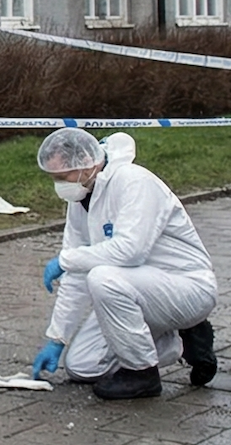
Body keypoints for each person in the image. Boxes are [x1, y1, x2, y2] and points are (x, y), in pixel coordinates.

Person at [27, 129, 217, 400]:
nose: (58, 185)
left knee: (103, 278)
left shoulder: (133, 181)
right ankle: (175, 340)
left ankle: (142, 373)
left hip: (186, 286)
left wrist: (67, 260)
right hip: (139, 291)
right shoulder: (81, 199)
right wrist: (57, 338)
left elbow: (130, 251)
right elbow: (77, 273)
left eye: (62, 176)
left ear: (88, 163)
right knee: (82, 366)